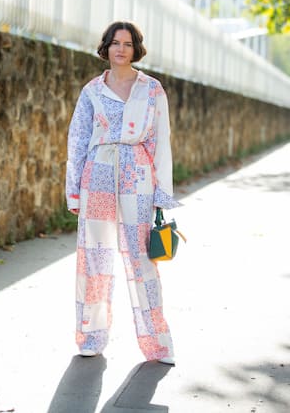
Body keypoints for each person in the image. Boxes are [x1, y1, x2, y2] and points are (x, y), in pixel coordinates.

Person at [66, 21, 179, 365]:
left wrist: (162, 193)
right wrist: (74, 192)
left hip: (138, 173)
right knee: (95, 260)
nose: (121, 49)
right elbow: (77, 139)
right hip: (97, 172)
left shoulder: (152, 89)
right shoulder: (92, 91)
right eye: (115, 43)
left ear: (136, 49)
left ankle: (157, 343)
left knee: (141, 258)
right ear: (106, 47)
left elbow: (161, 142)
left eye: (127, 44)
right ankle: (90, 337)